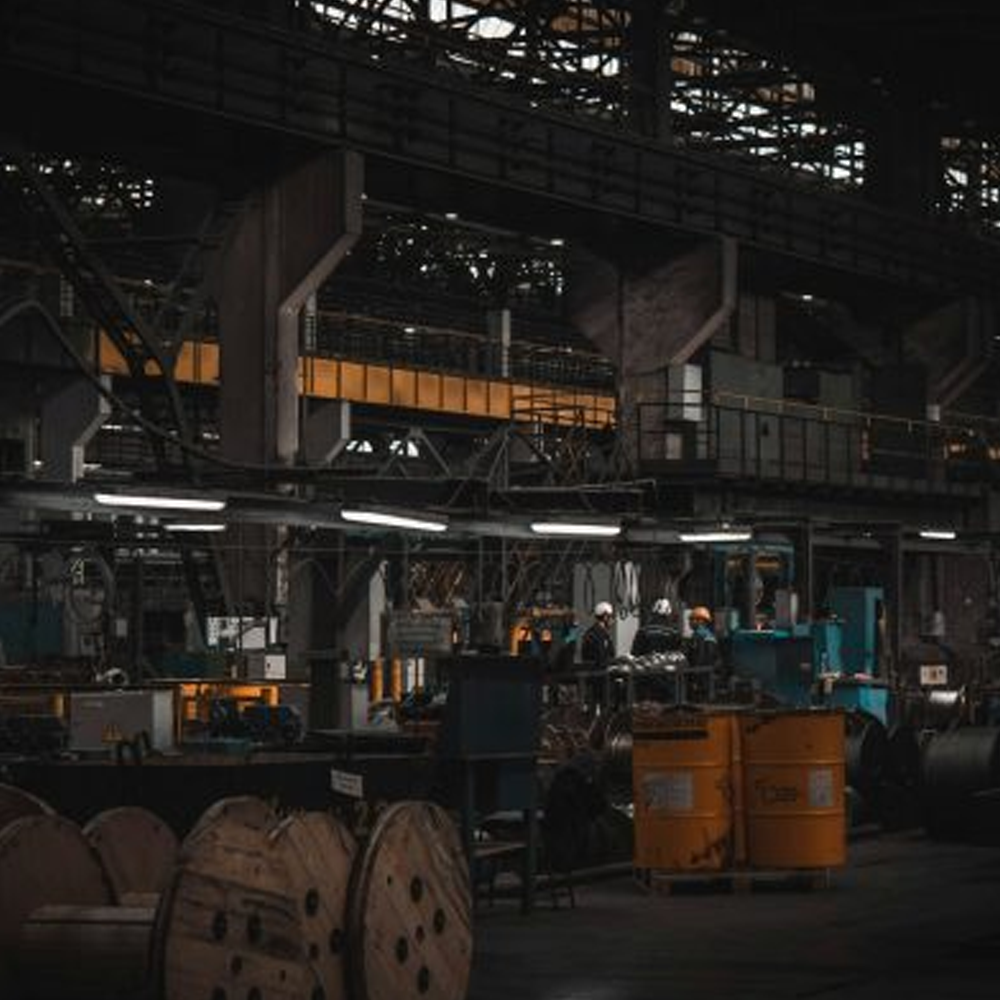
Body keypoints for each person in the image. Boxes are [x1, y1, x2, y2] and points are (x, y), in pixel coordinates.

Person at [581, 601, 616, 670]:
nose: (613, 620)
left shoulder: (600, 634)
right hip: (598, 675)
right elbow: (600, 658)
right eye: (611, 617)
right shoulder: (595, 635)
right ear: (605, 617)